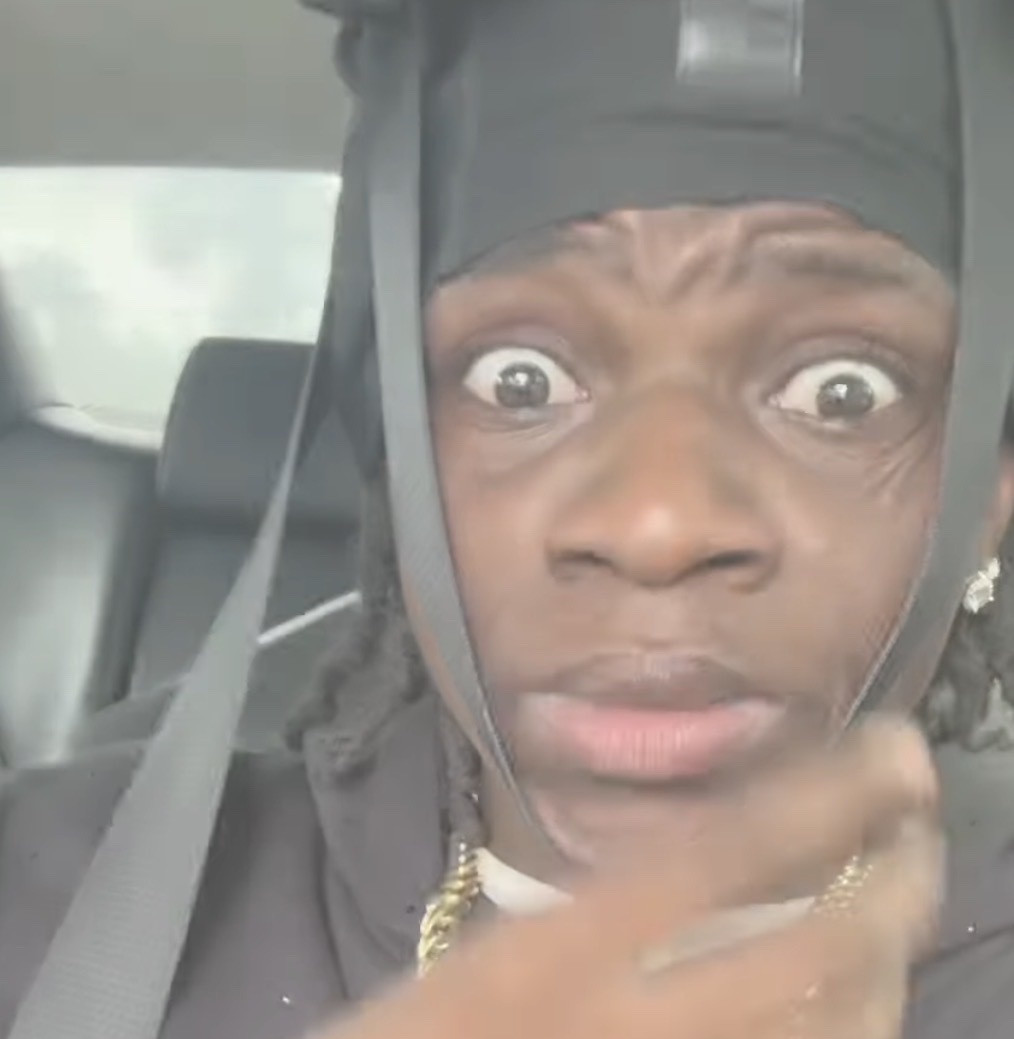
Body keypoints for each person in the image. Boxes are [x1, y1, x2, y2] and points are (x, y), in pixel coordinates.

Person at [3, 0, 1014, 1037]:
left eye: (843, 393)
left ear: (989, 498)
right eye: (518, 381)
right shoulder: (53, 902)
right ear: (401, 468)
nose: (658, 523)